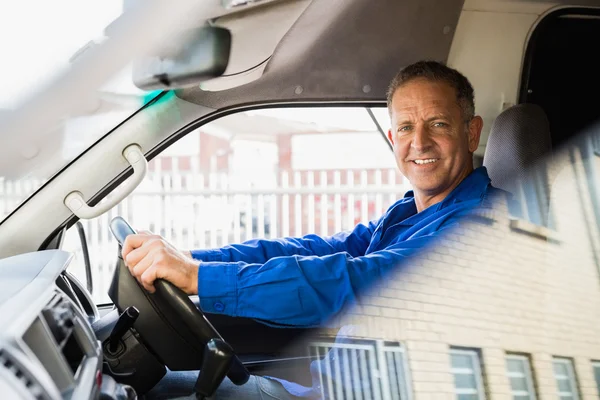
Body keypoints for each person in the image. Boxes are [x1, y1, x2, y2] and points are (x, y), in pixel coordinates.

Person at [123, 60, 501, 399]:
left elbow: (353, 281)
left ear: (471, 133)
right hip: (322, 388)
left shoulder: (483, 222)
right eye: (405, 127)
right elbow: (316, 250)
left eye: (438, 123)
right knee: (154, 387)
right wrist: (191, 259)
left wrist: (198, 278)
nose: (419, 142)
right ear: (393, 139)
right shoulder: (410, 211)